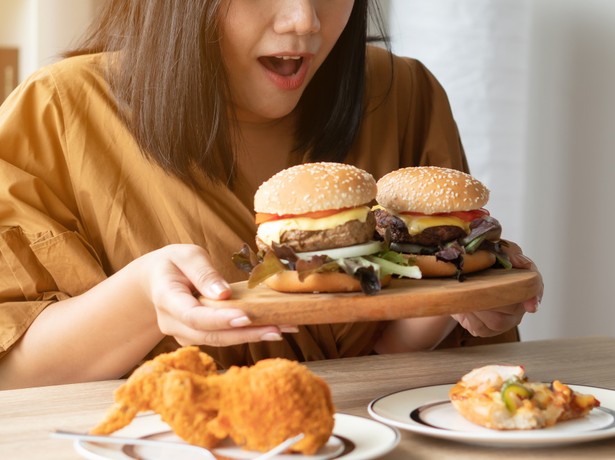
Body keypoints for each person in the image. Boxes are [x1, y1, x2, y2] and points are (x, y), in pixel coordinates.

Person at [0, 0, 541, 390]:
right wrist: (144, 300)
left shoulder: (405, 93)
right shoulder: (58, 110)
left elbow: (401, 362)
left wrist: (452, 302)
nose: (303, 20)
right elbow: (14, 372)